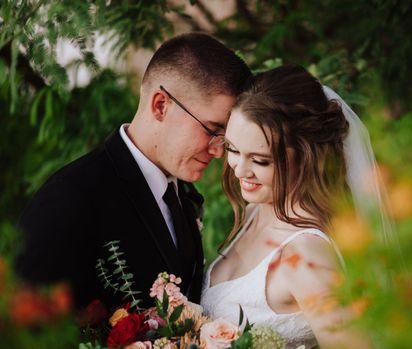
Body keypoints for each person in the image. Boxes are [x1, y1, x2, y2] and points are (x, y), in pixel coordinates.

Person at [15, 33, 251, 311]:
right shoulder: (70, 198)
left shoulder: (181, 192)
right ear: (160, 105)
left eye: (224, 137)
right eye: (212, 130)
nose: (218, 151)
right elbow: (25, 328)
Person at [200, 65, 387, 349]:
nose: (239, 169)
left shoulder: (307, 259)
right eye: (233, 149)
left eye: (260, 160)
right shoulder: (255, 210)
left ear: (306, 155)